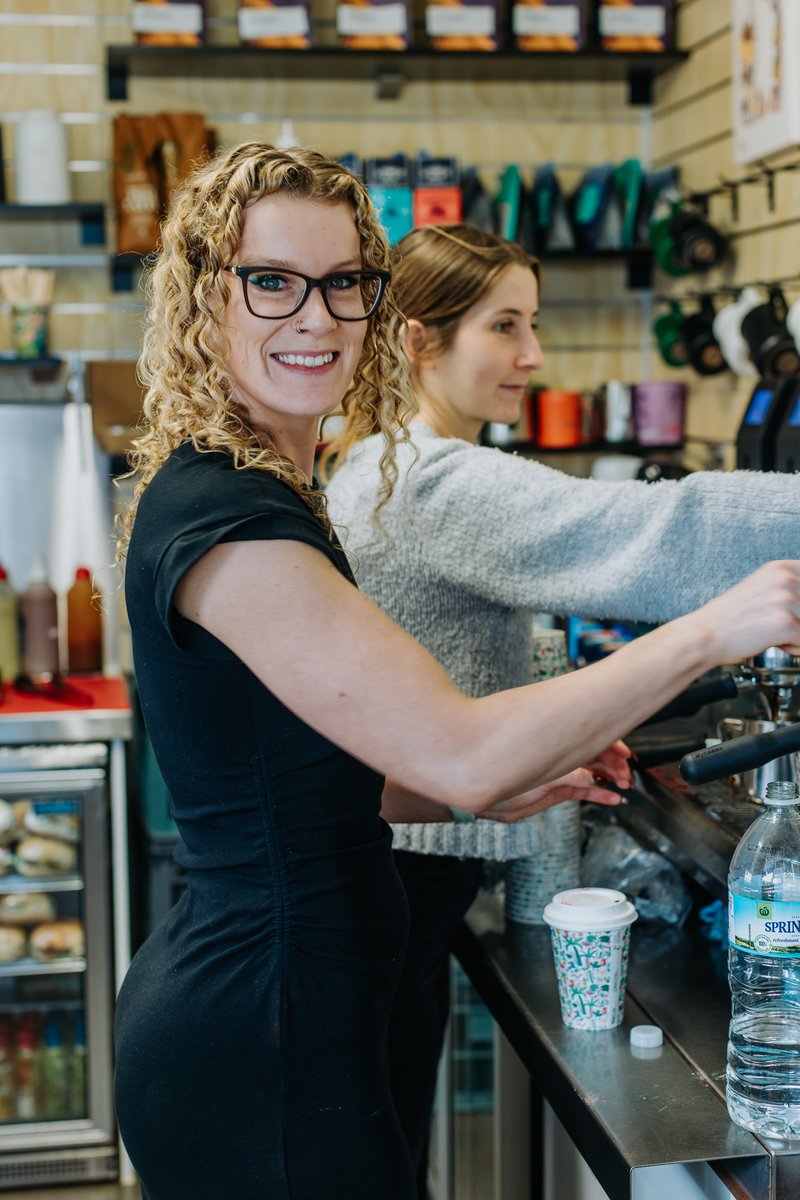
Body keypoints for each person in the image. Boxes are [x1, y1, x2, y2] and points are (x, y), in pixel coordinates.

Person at [113, 148, 800, 1200]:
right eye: (270, 281)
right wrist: (717, 625)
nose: (315, 317)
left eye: (344, 282)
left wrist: (509, 782)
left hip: (290, 1006)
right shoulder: (233, 525)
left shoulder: (261, 490)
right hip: (264, 1031)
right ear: (206, 300)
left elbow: (310, 779)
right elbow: (462, 749)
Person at [323, 222, 800, 1196]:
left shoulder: (380, 461)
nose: (531, 358)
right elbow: (656, 528)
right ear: (419, 339)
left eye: (530, 326)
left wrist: (549, 739)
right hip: (384, 895)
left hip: (390, 877)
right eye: (504, 327)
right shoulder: (431, 481)